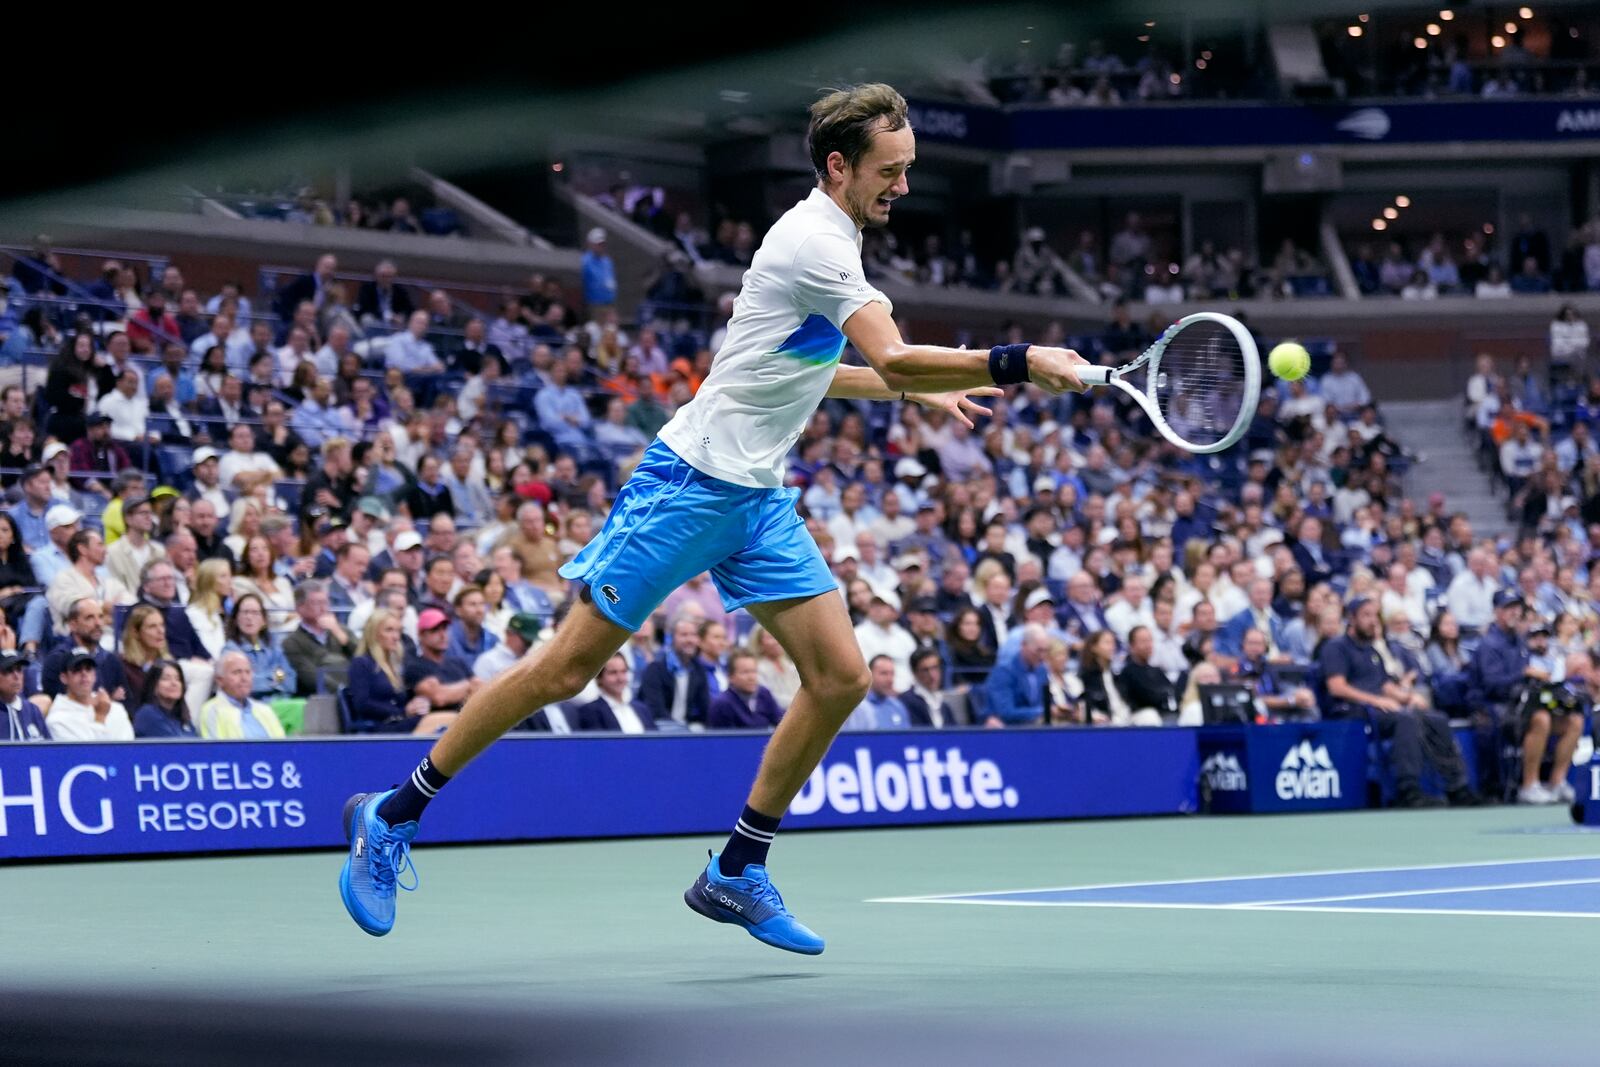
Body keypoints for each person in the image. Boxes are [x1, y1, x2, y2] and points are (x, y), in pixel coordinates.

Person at [336, 83, 1088, 951]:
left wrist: (925, 389)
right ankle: (391, 815)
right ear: (839, 166)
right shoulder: (816, 244)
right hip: (688, 485)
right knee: (562, 670)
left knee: (842, 676)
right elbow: (889, 351)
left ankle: (736, 868)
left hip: (758, 498)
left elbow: (807, 370)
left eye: (910, 169)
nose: (904, 187)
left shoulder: (833, 240)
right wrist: (1017, 360)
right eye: (891, 171)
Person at [1319, 598, 1475, 808]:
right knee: (1406, 719)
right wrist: (1377, 701)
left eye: (1375, 615)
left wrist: (1408, 697)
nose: (1373, 621)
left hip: (1381, 709)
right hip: (1352, 711)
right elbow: (1337, 687)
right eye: (1366, 615)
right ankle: (1408, 790)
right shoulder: (1336, 647)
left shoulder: (1372, 651)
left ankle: (1457, 787)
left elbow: (1384, 685)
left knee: (1435, 718)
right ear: (1351, 618)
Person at [347, 610, 455, 734]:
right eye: (389, 630)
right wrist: (403, 712)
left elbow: (400, 702)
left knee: (448, 719)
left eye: (398, 631)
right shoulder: (361, 663)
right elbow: (362, 704)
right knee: (447, 720)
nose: (396, 637)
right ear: (374, 633)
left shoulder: (396, 665)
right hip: (379, 728)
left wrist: (416, 704)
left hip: (398, 722)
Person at [282, 580, 356, 696]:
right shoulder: (292, 642)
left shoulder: (342, 631)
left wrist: (341, 636)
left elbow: (364, 658)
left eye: (325, 602)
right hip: (320, 699)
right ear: (299, 608)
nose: (323, 608)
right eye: (316, 603)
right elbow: (311, 677)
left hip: (353, 693)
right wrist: (344, 691)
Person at [196, 651, 286, 739]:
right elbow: (213, 750)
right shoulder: (211, 710)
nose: (244, 678)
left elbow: (283, 746)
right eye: (236, 672)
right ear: (220, 680)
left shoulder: (265, 710)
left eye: (248, 672)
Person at [223, 594, 297, 700]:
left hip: (278, 702)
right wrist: (274, 678)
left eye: (255, 613)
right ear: (235, 619)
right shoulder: (230, 651)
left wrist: (259, 679)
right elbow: (241, 686)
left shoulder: (274, 647)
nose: (249, 617)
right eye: (245, 612)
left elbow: (291, 682)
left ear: (263, 621)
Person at [46, 652, 134, 741]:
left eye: (88, 669)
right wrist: (100, 718)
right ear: (64, 678)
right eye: (77, 669)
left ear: (95, 675)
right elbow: (89, 753)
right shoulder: (57, 720)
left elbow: (129, 750)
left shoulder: (116, 709)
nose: (84, 673)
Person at [574, 653, 657, 733]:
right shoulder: (591, 712)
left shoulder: (642, 709)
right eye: (613, 672)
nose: (620, 678)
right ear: (599, 677)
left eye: (623, 671)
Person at [708, 650, 785, 729]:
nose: (751, 677)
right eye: (745, 672)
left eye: (754, 671)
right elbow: (725, 739)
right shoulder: (722, 704)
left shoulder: (764, 694)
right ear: (730, 677)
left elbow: (781, 722)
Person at [843, 654, 911, 730]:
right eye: (884, 673)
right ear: (869, 674)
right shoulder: (856, 707)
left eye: (892, 674)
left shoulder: (898, 706)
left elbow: (906, 738)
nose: (890, 679)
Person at [132, 661, 197, 739]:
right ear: (153, 685)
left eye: (178, 679)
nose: (174, 683)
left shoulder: (183, 716)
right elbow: (175, 746)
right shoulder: (147, 714)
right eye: (166, 679)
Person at [473, 612, 540, 681]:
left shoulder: (532, 660)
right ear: (509, 633)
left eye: (530, 642)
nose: (528, 646)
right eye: (526, 641)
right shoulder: (488, 661)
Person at [900, 646, 951, 727]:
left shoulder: (945, 705)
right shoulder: (906, 701)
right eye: (925, 670)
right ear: (915, 673)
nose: (932, 675)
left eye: (935, 668)